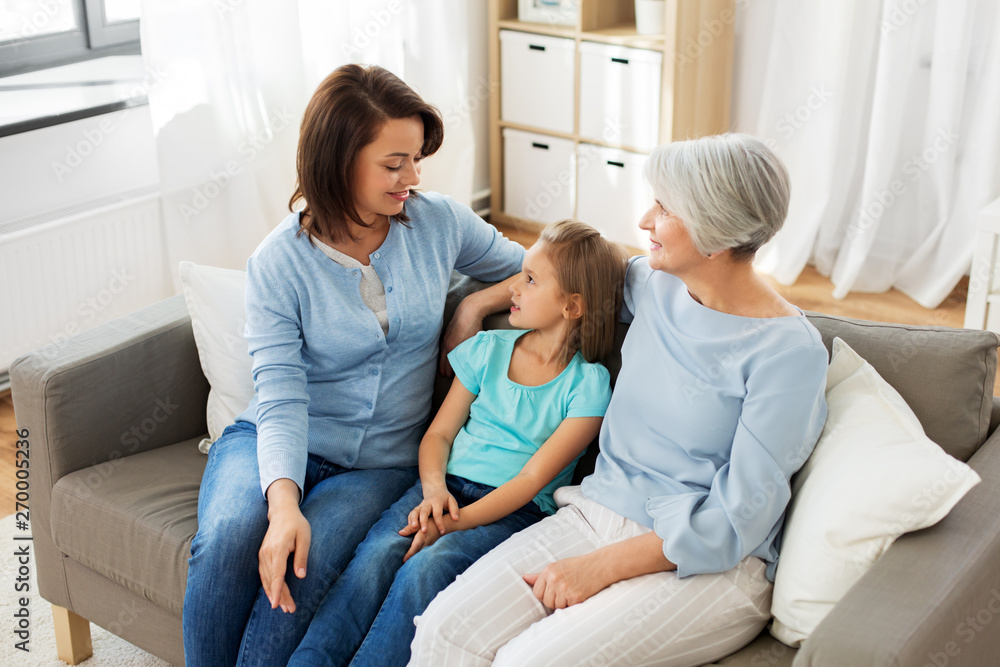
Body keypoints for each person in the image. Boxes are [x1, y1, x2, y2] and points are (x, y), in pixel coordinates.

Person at [409, 133, 830, 666]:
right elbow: (561, 278)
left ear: (714, 232)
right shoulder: (657, 285)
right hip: (595, 513)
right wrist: (475, 305)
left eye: (665, 208)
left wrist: (601, 567)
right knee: (444, 632)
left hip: (705, 562)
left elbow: (735, 518)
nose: (644, 222)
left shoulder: (788, 354)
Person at [182, 64, 528, 666]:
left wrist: (475, 301)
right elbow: (282, 393)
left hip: (377, 463)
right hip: (274, 436)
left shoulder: (438, 221)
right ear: (338, 161)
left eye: (416, 160)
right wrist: (283, 504)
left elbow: (537, 271)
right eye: (394, 164)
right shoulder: (278, 263)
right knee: (225, 540)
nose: (412, 178)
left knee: (302, 570)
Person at [285, 220, 626, 667]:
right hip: (440, 488)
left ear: (573, 305)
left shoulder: (588, 385)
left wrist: (456, 523)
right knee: (374, 558)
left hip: (508, 512)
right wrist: (434, 495)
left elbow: (530, 480)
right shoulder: (488, 349)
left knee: (427, 569)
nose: (514, 290)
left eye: (530, 279)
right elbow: (439, 435)